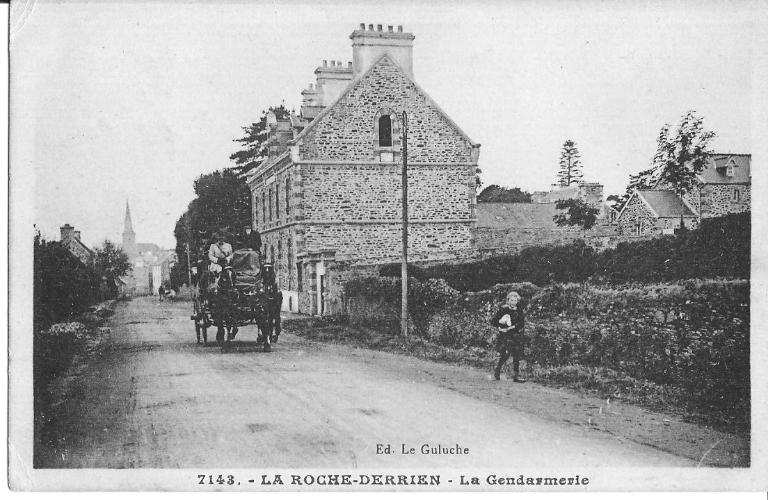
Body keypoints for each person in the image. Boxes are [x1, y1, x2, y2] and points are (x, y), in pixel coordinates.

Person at [490, 291, 527, 382]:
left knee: (516, 354)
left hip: (515, 334)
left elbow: (521, 323)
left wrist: (512, 327)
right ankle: (497, 372)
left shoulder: (519, 310)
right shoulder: (503, 309)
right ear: (508, 300)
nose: (513, 302)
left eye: (515, 300)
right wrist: (500, 328)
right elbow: (494, 321)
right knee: (505, 354)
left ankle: (516, 376)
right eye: (511, 300)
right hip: (505, 335)